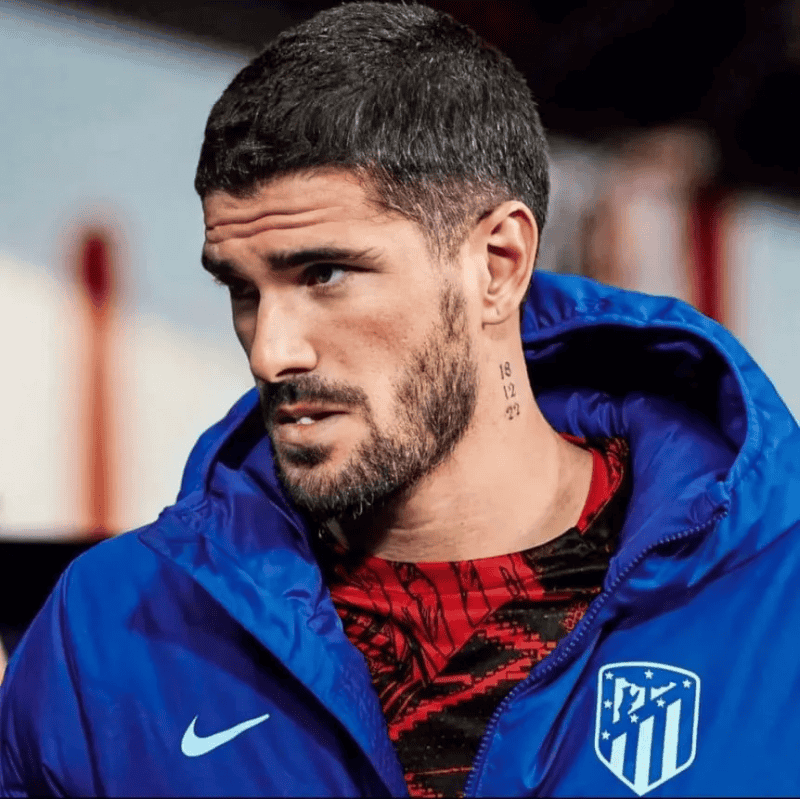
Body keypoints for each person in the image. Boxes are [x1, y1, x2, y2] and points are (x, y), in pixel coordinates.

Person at [2, 3, 800, 797]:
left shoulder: (777, 602)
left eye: (324, 274)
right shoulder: (107, 635)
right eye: (244, 290)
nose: (272, 351)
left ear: (497, 264)